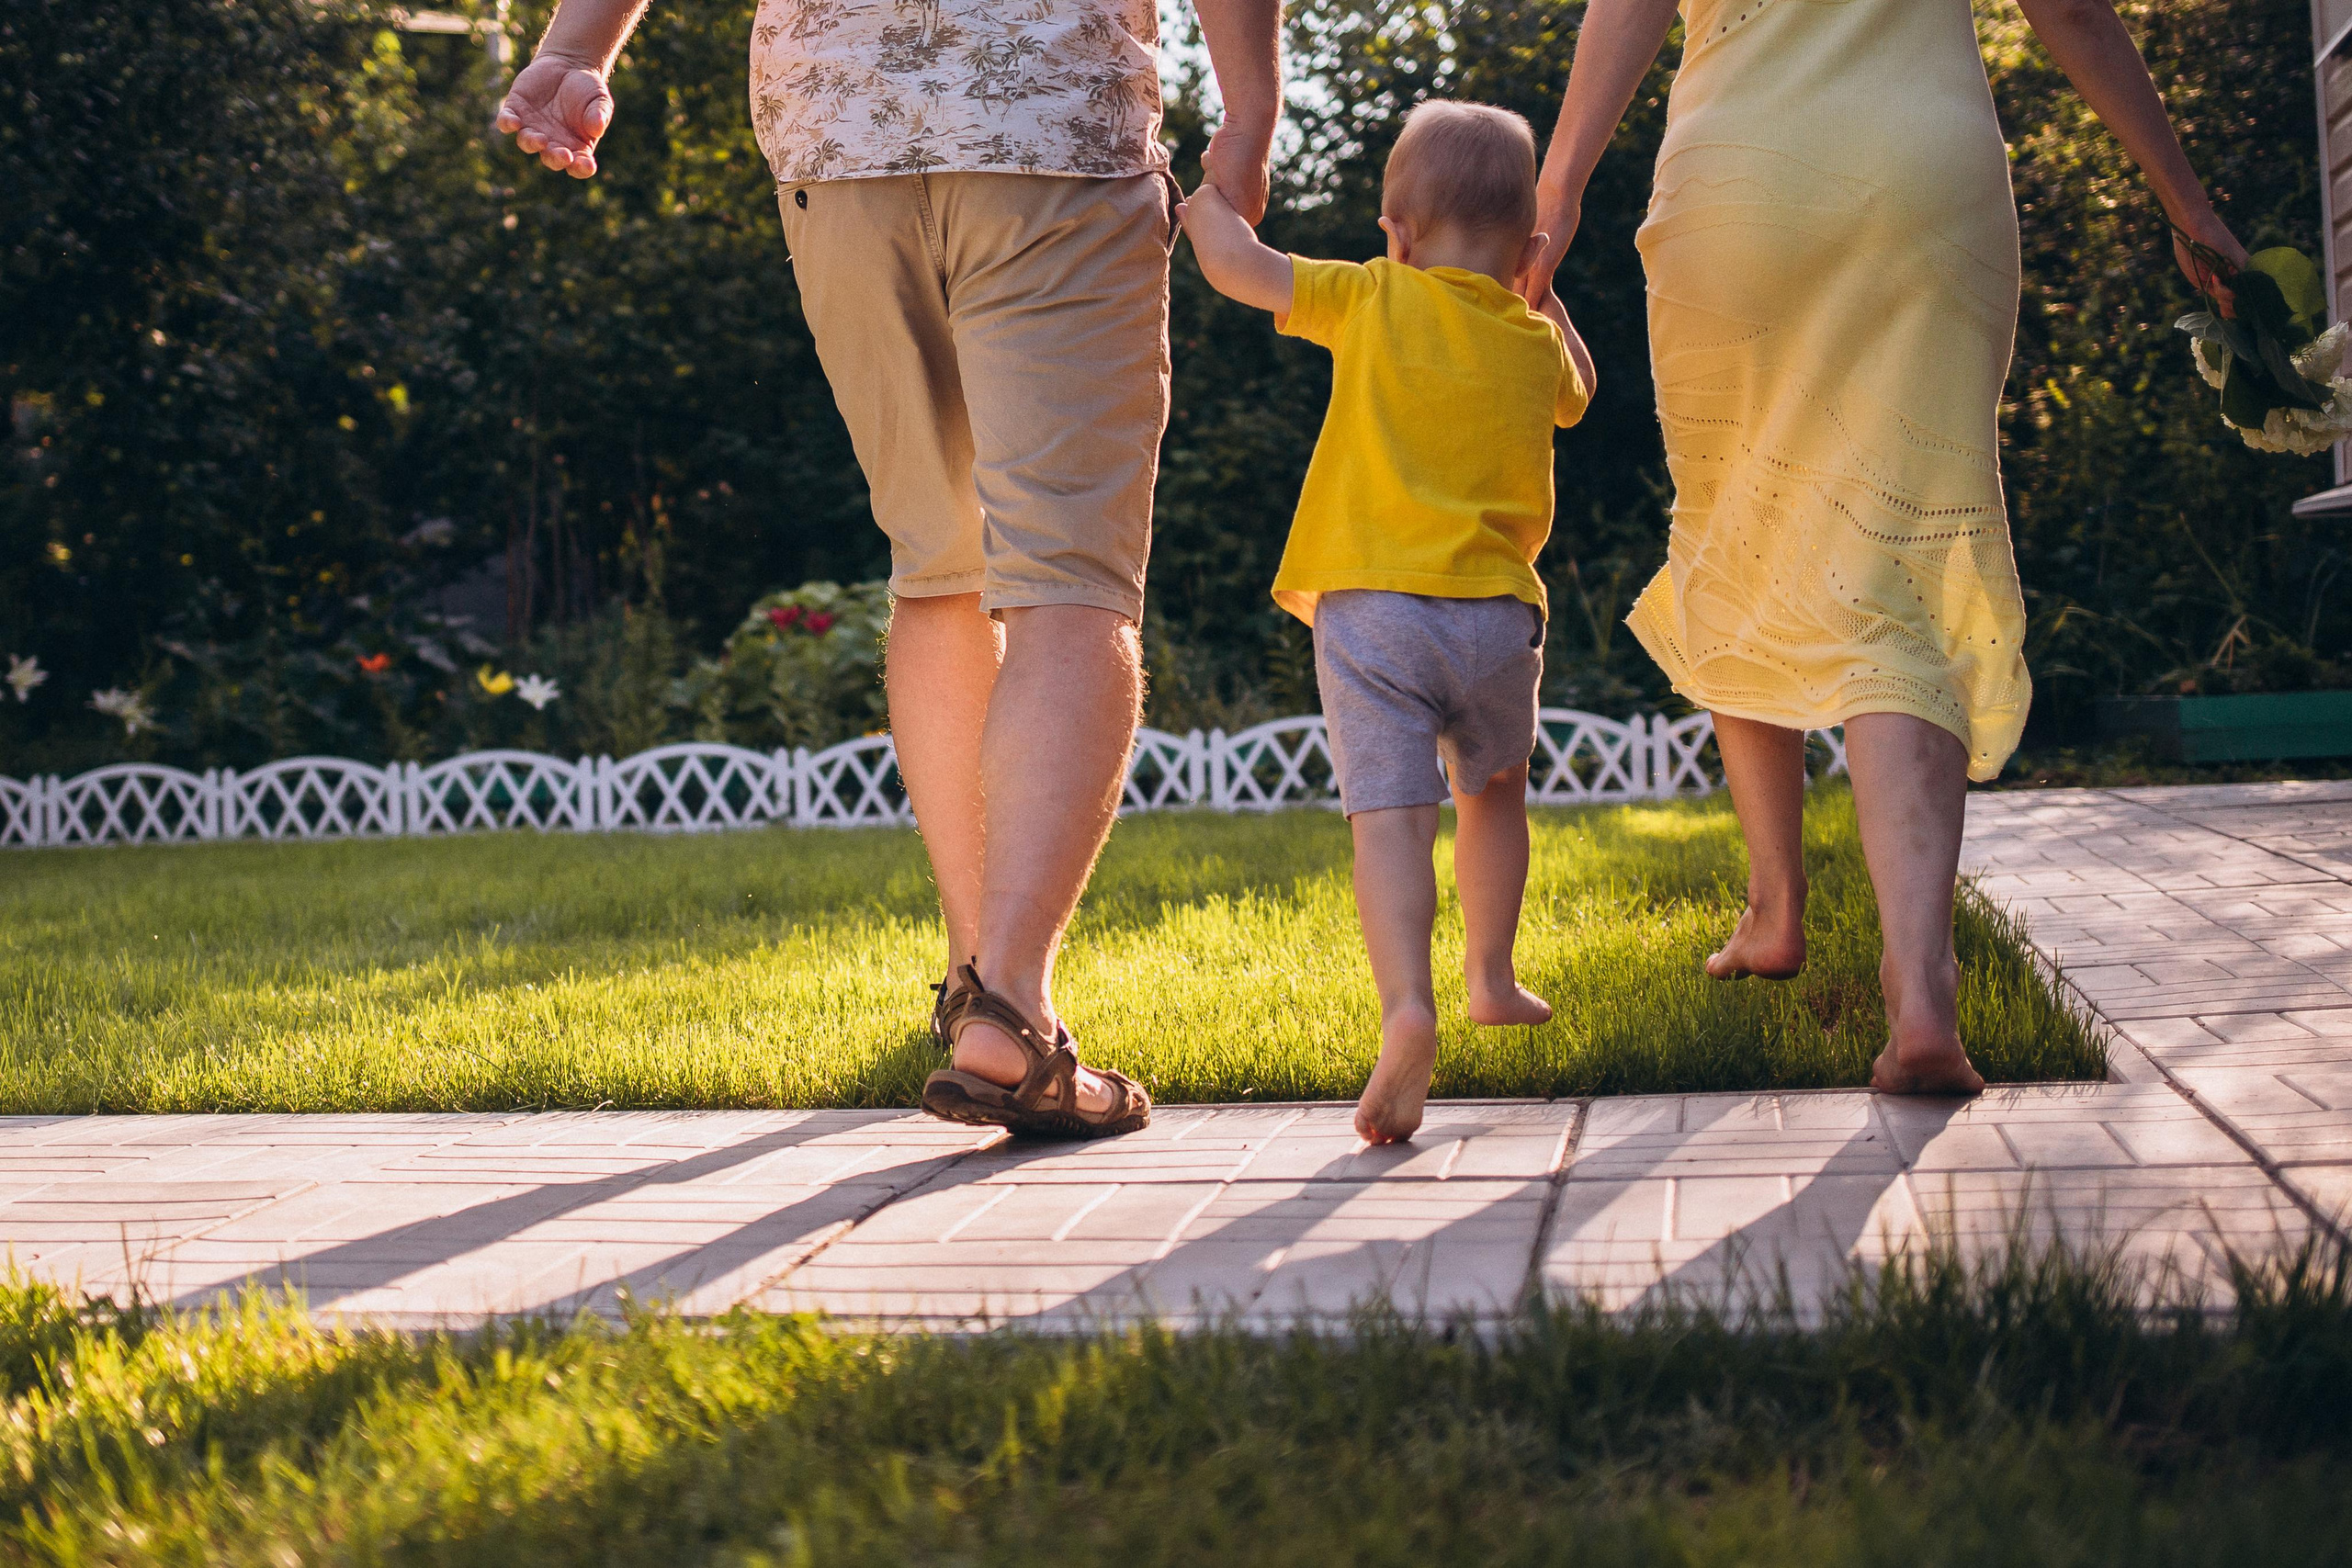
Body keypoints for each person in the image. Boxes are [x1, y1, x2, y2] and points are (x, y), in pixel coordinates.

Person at [494, 0, 1282, 1138]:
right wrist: (1250, 111)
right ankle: (1009, 1006)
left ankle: (978, 986)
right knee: (1066, 578)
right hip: (1047, 125)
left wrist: (577, 48)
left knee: (941, 569)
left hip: (839, 137)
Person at [1519, 0, 2246, 1094]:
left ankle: (1774, 907)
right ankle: (1919, 985)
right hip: (1920, 172)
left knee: (1738, 519)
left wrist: (1560, 187)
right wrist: (2186, 205)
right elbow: (2071, 11)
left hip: (1739, 183)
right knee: (1896, 562)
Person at [1182, 102, 1598, 1144]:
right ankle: (1492, 978)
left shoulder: (1372, 296)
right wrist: (1541, 295)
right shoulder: (1527, 335)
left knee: (1392, 817)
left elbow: (1242, 268)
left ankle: (1408, 1005)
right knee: (1492, 792)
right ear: (1528, 251)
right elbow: (1580, 392)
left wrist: (1197, 203)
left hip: (1374, 611)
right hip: (1498, 620)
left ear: (1398, 234)